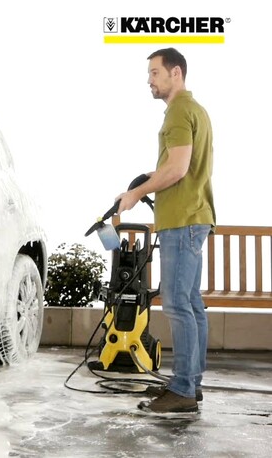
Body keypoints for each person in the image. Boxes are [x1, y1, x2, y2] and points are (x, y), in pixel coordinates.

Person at [115, 47, 216, 413]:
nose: (149, 80)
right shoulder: (195, 110)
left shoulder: (178, 111)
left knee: (176, 304)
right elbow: (178, 165)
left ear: (176, 73)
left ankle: (183, 390)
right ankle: (190, 383)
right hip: (194, 217)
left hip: (182, 220)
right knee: (191, 304)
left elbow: (177, 169)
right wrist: (146, 179)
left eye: (155, 73)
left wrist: (135, 193)